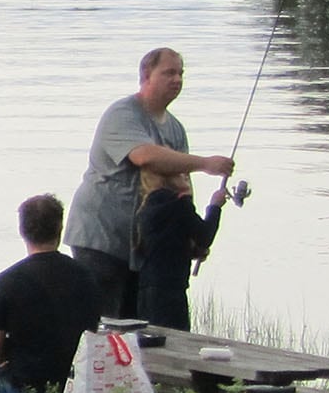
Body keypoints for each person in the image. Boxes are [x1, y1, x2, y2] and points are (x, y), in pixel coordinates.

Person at [64, 47, 233, 319]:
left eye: (180, 73)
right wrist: (205, 163)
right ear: (146, 75)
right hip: (101, 236)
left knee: (139, 327)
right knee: (106, 324)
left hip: (142, 245)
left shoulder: (175, 128)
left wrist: (191, 237)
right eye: (168, 73)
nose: (177, 79)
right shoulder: (122, 114)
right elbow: (144, 156)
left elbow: (181, 186)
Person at [0, 194, 104, 393]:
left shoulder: (9, 282)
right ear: (60, 227)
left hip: (23, 390)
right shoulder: (87, 277)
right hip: (74, 388)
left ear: (22, 230)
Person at [132, 168, 224, 331]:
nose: (185, 176)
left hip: (146, 288)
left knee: (151, 340)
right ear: (168, 179)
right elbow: (205, 236)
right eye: (180, 174)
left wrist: (192, 251)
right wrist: (215, 206)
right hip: (171, 288)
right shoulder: (180, 206)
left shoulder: (145, 209)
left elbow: (158, 244)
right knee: (176, 339)